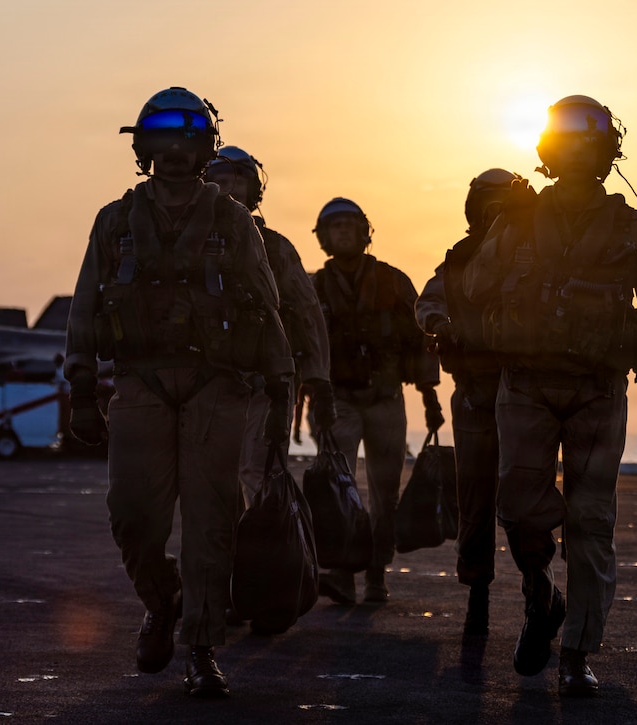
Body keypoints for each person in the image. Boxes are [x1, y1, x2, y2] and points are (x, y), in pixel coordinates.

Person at [63, 87, 295, 699]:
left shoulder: (232, 221)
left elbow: (268, 310)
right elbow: (85, 306)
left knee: (211, 523)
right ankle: (161, 599)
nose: (173, 150)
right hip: (140, 383)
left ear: (204, 149)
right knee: (133, 518)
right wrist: (80, 386)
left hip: (218, 387)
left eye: (187, 139)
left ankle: (201, 647)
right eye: (161, 139)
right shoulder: (114, 222)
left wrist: (282, 399)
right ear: (143, 149)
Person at [460, 95, 637, 696]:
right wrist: (496, 227)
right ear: (549, 152)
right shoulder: (516, 219)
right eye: (567, 146)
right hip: (525, 387)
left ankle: (575, 653)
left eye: (589, 146)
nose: (578, 155)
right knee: (516, 507)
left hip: (597, 390)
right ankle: (542, 595)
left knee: (591, 521)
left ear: (606, 153)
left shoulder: (629, 225)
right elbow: (476, 286)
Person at [311, 197, 443, 605]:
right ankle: (343, 575)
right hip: (337, 402)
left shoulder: (393, 281)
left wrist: (430, 398)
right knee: (338, 491)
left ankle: (375, 575)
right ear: (324, 238)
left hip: (386, 399)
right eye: (336, 227)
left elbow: (421, 342)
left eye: (350, 226)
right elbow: (303, 344)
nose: (344, 232)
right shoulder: (313, 287)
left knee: (385, 494)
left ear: (365, 232)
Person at [415, 168, 523, 636]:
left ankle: (538, 590)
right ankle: (477, 593)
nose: (495, 212)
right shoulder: (458, 259)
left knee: (527, 500)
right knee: (475, 502)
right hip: (476, 396)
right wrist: (442, 324)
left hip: (525, 397)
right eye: (488, 203)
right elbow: (428, 305)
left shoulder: (532, 257)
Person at [203, 145, 335, 504]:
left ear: (254, 188)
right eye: (216, 178)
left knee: (257, 472)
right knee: (208, 479)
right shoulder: (189, 243)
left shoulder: (275, 248)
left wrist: (318, 380)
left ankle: (264, 552)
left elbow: (308, 315)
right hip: (204, 380)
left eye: (237, 178)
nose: (227, 186)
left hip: (263, 381)